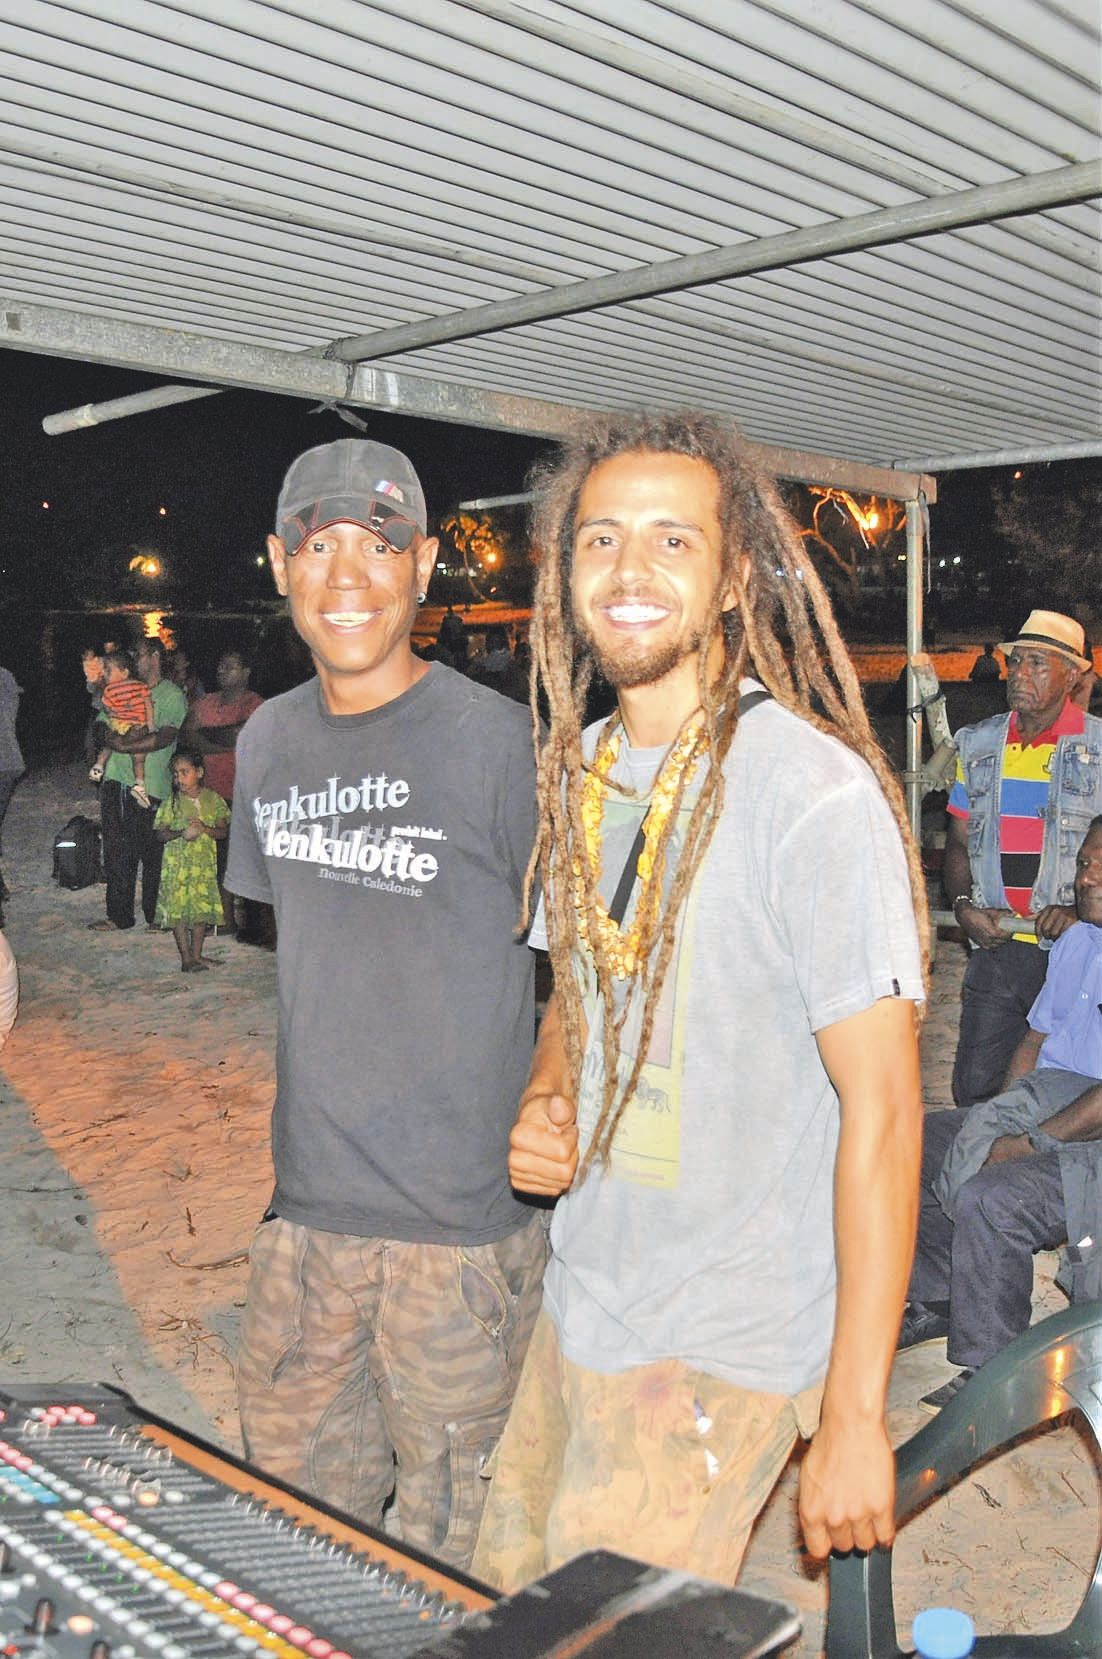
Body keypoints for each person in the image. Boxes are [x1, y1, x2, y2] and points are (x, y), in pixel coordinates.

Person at [472, 412, 926, 1591]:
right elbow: (576, 990)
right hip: (583, 1301)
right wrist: (547, 1092)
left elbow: (882, 1113)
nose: (629, 571)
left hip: (724, 1342)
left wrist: (856, 1413)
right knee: (504, 1605)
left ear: (732, 579)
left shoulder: (810, 797)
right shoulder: (578, 769)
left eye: (674, 542)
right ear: (563, 574)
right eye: (601, 540)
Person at [226, 437, 546, 1570]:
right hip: (305, 1215)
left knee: (452, 1547)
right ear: (279, 563)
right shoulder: (263, 742)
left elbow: (584, 967)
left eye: (380, 545)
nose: (347, 574)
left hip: (458, 1234)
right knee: (295, 1528)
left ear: (423, 572)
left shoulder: (505, 746)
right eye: (320, 545)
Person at [900, 817, 1102, 1412]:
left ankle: (994, 1370)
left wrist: (1029, 1142)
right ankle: (940, 1297)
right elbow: (1034, 1043)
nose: (1084, 875)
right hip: (1050, 1097)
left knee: (994, 1195)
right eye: (1084, 861)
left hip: (1091, 1127)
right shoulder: (1077, 942)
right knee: (918, 1145)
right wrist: (997, 1120)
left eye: (1098, 864)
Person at [945, 609, 1102, 1111]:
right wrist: (965, 906)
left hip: (1078, 953)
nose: (1019, 674)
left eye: (1038, 663)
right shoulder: (977, 745)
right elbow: (957, 841)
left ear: (1072, 675)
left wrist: (1081, 913)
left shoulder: (1097, 749)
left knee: (1064, 1090)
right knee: (976, 1088)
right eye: (1016, 662)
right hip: (999, 946)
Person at [90, 637, 187, 933]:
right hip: (115, 781)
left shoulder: (170, 694)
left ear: (155, 656)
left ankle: (156, 915)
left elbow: (165, 737)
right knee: (117, 850)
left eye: (140, 654)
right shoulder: (119, 688)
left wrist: (122, 746)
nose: (134, 660)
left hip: (151, 784)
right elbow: (100, 724)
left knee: (154, 853)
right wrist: (113, 740)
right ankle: (118, 915)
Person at [182, 648, 264, 937]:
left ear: (246, 672)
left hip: (241, 792)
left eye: (229, 666)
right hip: (209, 793)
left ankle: (230, 920)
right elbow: (187, 737)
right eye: (220, 665)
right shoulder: (206, 702)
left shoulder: (254, 704)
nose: (221, 670)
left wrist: (206, 737)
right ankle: (223, 919)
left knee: (234, 859)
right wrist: (226, 741)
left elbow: (240, 735)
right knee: (212, 857)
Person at [154, 748, 231, 973]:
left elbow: (223, 832)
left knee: (200, 910)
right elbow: (160, 833)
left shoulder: (213, 799)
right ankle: (186, 958)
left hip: (203, 867)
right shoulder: (172, 802)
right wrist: (181, 833)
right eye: (176, 774)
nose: (179, 778)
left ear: (199, 772)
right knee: (178, 910)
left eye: (184, 772)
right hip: (177, 866)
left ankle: (197, 955)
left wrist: (203, 829)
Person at [89, 649, 156, 808]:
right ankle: (139, 784)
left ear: (124, 672)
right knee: (138, 756)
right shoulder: (139, 686)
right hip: (137, 725)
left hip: (122, 723)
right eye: (104, 670)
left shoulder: (109, 690)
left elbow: (107, 708)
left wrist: (112, 714)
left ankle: (99, 766)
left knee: (110, 745)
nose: (105, 673)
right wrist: (151, 724)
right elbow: (147, 704)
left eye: (108, 670)